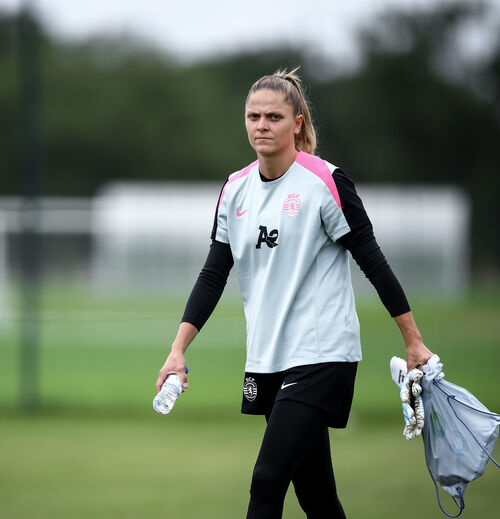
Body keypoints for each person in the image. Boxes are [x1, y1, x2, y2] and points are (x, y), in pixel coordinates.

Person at [155, 68, 435, 518]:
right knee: (318, 498)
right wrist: (177, 350)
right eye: (253, 116)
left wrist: (413, 339)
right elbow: (213, 275)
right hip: (268, 357)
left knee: (266, 483)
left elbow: (372, 261)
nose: (261, 125)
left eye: (273, 116)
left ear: (297, 122)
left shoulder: (325, 182)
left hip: (323, 355)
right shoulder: (234, 189)